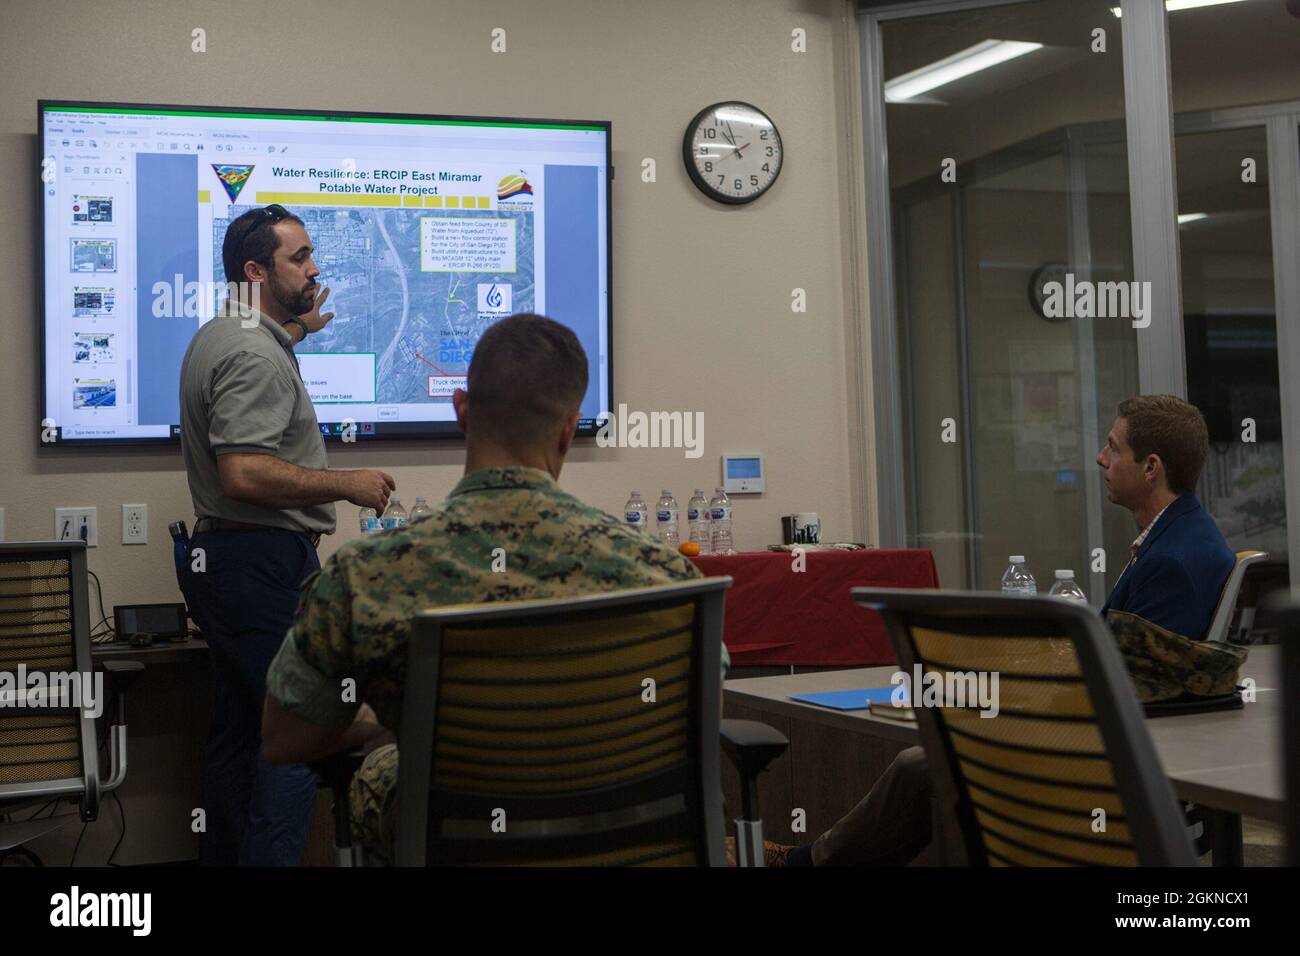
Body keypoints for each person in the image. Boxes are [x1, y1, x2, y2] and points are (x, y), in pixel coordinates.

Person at [261, 314, 721, 865]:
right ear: (569, 430)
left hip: (459, 846)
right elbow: (706, 698)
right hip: (630, 844)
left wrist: (393, 714)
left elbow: (284, 737)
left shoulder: (367, 575)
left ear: (461, 410)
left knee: (385, 772)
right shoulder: (660, 572)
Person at [783, 394, 1235, 866]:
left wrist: (1011, 694)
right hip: (1096, 739)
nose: (1100, 457)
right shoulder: (1178, 538)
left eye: (1113, 447)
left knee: (928, 765)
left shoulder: (1173, 562)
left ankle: (803, 864)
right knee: (935, 772)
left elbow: (1124, 689)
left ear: (1151, 468)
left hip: (1099, 762)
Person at [178, 204, 396, 866]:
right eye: (298, 256)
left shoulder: (229, 332)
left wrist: (298, 326)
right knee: (298, 738)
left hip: (225, 563)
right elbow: (243, 471)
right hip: (261, 564)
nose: (314, 266)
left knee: (242, 736)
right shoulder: (253, 353)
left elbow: (261, 353)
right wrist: (345, 484)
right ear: (255, 270)